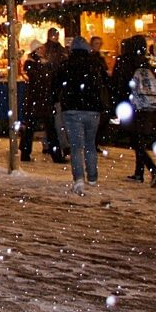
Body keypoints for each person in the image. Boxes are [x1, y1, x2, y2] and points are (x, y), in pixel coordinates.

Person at [52, 37, 108, 194]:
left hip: (71, 109)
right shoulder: (95, 64)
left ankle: (78, 178)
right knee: (90, 144)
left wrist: (56, 100)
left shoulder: (66, 65)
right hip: (92, 109)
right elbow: (104, 84)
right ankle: (92, 176)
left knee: (76, 146)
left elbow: (55, 85)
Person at [113, 35, 156, 187]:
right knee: (139, 138)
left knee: (135, 139)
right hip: (145, 103)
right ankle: (139, 172)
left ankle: (151, 169)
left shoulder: (124, 61)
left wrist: (117, 104)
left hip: (131, 104)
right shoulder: (145, 62)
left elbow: (119, 84)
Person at [20, 40, 55, 163]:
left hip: (39, 99)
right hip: (37, 99)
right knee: (39, 127)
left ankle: (26, 151)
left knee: (44, 127)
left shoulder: (41, 63)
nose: (43, 50)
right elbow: (39, 78)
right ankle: (26, 152)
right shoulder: (31, 63)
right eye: (41, 48)